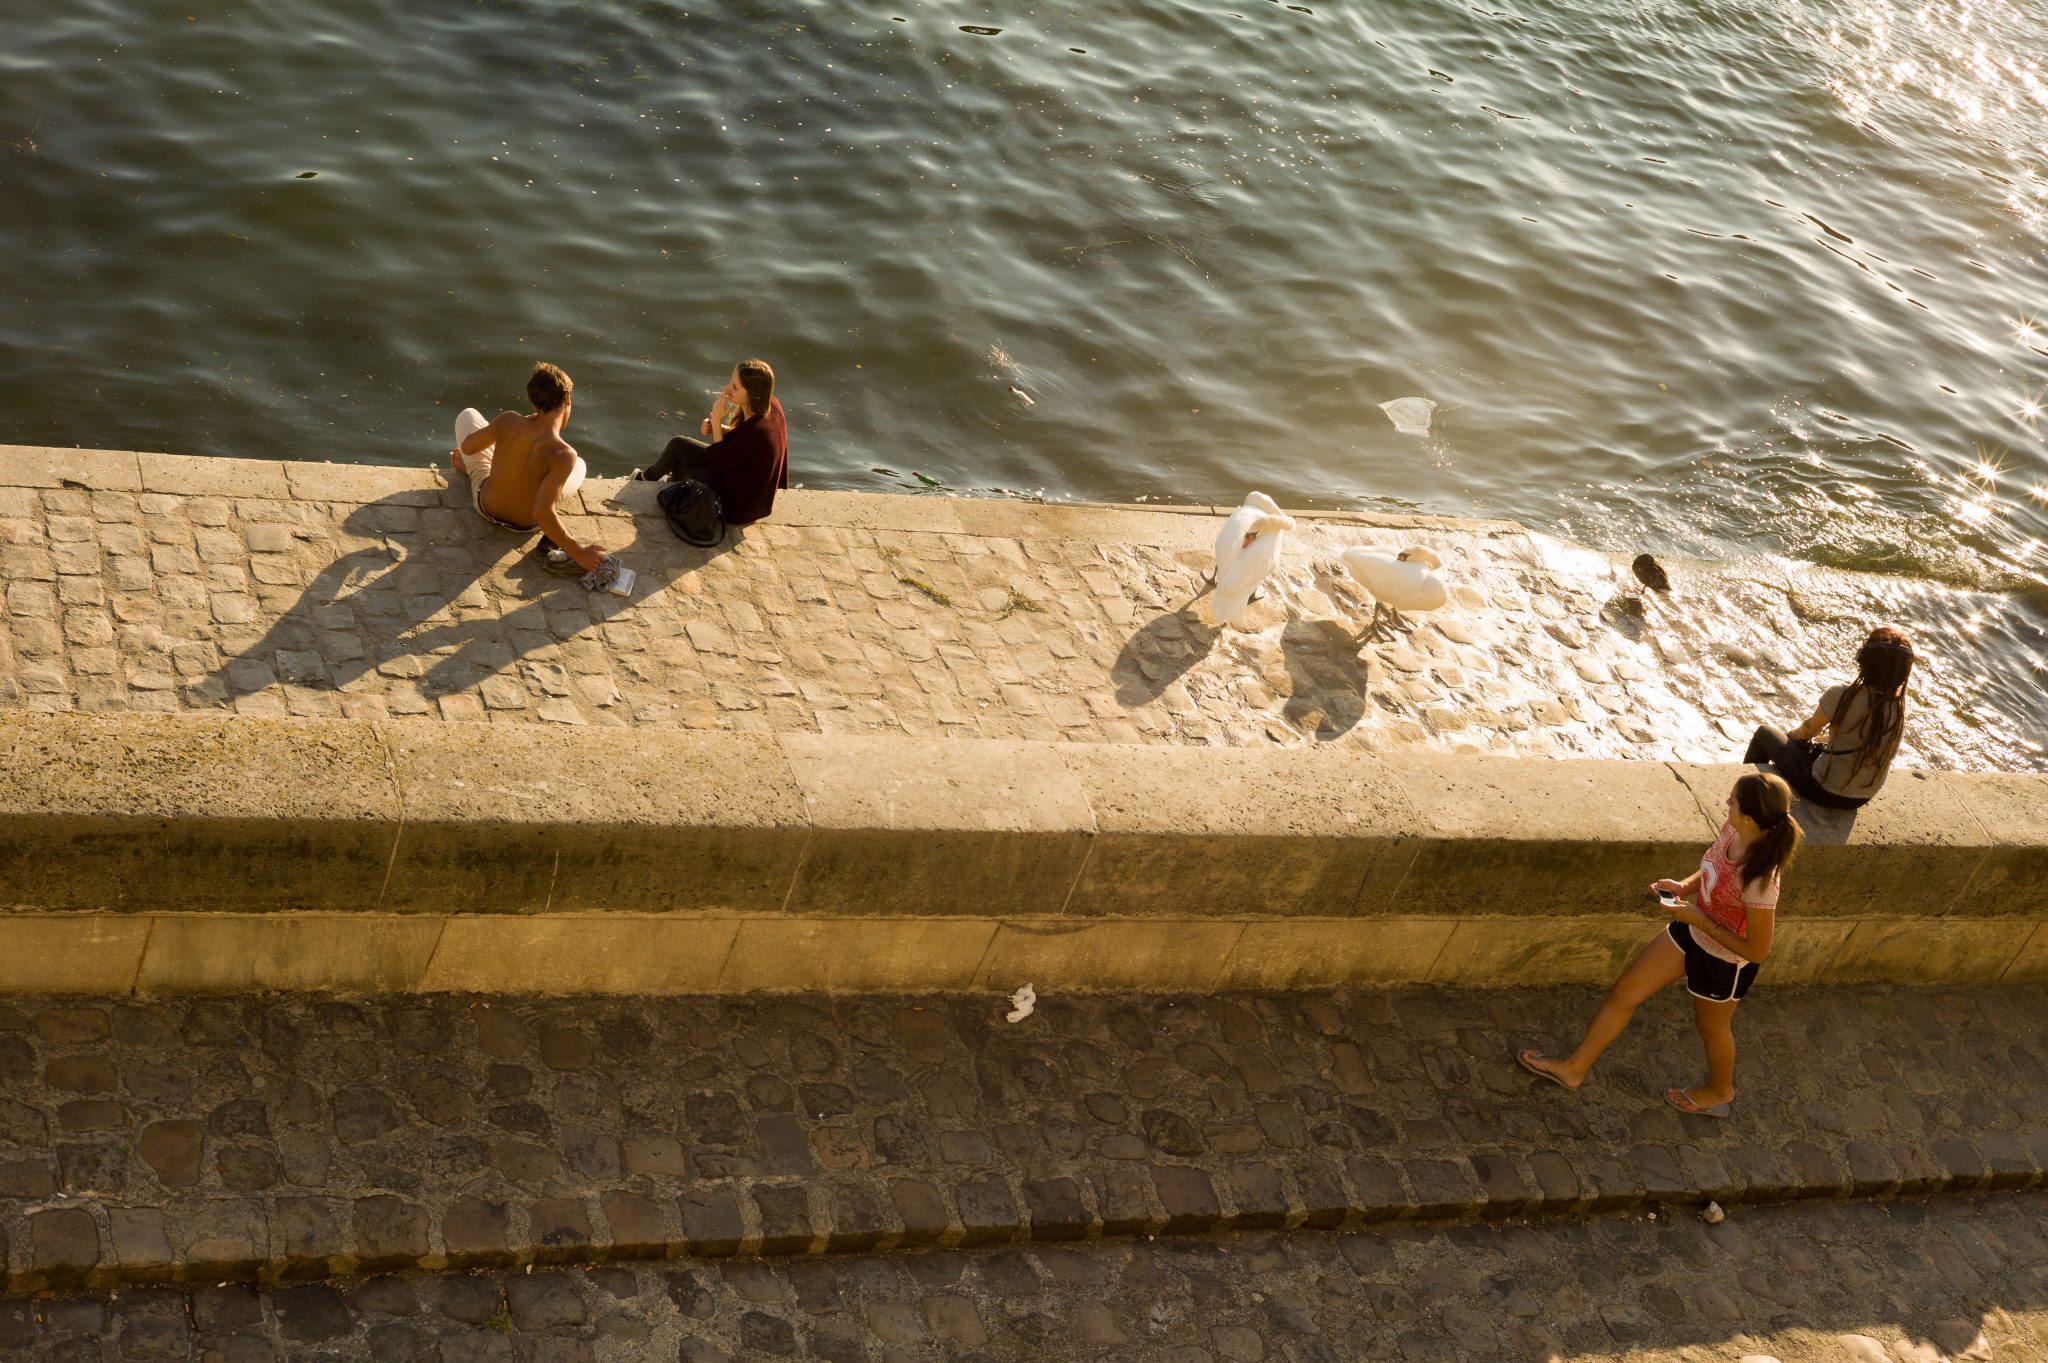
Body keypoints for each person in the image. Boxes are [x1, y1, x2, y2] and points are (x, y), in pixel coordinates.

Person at [1515, 772, 1802, 1118]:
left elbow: (1757, 951)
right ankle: (1574, 1069)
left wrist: (1699, 920)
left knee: (1711, 1028)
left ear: (1750, 818)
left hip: (1724, 963)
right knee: (1625, 991)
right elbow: (1711, 872)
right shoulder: (1733, 830)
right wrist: (1683, 886)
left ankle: (1720, 1090)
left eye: (1733, 801)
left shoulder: (1761, 882)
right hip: (1691, 928)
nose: (1726, 803)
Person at [451, 362, 607, 574]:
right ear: (568, 400)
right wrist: (579, 553)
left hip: (485, 506)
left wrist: (507, 434)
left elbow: (468, 447)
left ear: (534, 403)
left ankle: (474, 470)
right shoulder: (564, 454)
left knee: (468, 415)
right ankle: (481, 467)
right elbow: (543, 513)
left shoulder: (508, 420)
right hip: (524, 525)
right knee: (579, 465)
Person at [1742, 626, 1914, 810]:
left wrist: (1790, 738)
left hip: (1822, 789)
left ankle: (1745, 796)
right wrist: (1825, 740)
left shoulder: (1842, 694)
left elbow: (1808, 730)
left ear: (1863, 660)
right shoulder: (1900, 707)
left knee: (1765, 734)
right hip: (1861, 798)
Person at [633, 358, 788, 524]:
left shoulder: (757, 431)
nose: (728, 388)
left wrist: (715, 422)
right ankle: (645, 479)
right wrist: (720, 429)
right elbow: (742, 444)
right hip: (741, 479)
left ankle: (677, 498)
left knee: (683, 467)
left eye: (735, 387)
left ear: (752, 393)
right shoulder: (769, 403)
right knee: (679, 445)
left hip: (736, 506)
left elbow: (719, 467)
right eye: (731, 382)